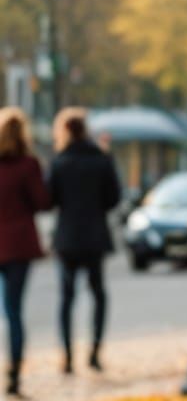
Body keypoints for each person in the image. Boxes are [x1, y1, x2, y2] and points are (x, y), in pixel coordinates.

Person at [47, 107, 122, 374]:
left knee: (66, 299)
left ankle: (67, 355)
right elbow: (114, 198)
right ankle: (95, 351)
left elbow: (49, 199)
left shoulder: (59, 162)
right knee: (98, 294)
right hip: (94, 237)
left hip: (67, 238)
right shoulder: (101, 160)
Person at [0, 108, 50, 399]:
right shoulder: (29, 165)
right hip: (18, 245)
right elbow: (42, 202)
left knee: (10, 311)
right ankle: (14, 373)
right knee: (14, 311)